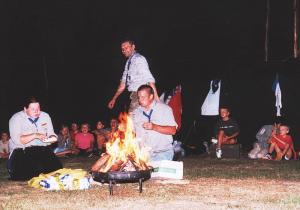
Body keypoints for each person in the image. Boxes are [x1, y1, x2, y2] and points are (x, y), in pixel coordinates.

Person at [8, 96, 62, 181]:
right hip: (22, 150)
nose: (37, 111)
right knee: (26, 175)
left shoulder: (45, 116)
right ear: (25, 109)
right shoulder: (16, 118)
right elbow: (17, 140)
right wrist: (35, 135)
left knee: (57, 170)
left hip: (42, 149)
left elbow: (51, 133)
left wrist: (53, 138)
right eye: (33, 109)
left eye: (38, 108)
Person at [108, 40, 160, 114]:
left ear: (133, 47)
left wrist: (156, 98)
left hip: (141, 95)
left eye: (126, 47)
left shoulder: (139, 59)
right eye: (123, 49)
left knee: (132, 118)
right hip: (134, 96)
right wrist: (114, 99)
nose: (124, 50)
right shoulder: (128, 63)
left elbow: (149, 78)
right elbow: (122, 85)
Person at [132, 84, 177, 161]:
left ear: (151, 96)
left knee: (157, 173)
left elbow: (173, 130)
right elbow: (132, 133)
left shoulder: (164, 109)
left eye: (143, 97)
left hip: (161, 154)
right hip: (143, 155)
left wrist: (154, 127)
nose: (140, 100)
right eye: (139, 97)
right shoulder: (136, 112)